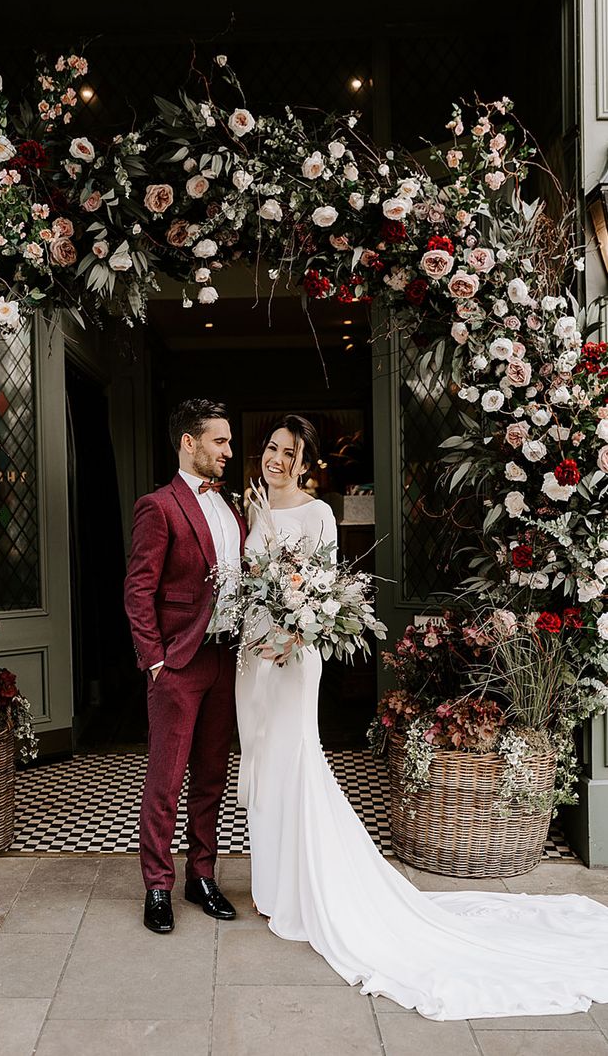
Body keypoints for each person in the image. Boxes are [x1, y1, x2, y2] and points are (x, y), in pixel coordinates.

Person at [236, 412, 608, 1021]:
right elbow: (251, 582)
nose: (276, 458)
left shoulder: (318, 513)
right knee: (260, 762)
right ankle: (272, 887)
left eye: (289, 451)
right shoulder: (253, 509)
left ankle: (299, 892)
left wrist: (288, 635)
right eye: (271, 447)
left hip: (292, 658)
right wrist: (255, 539)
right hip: (253, 657)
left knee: (292, 760)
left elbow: (324, 593)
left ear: (306, 461)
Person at [125, 398, 246, 934]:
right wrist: (155, 660)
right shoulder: (159, 506)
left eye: (228, 441)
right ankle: (157, 884)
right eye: (219, 441)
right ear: (188, 443)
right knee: (166, 779)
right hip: (178, 663)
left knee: (212, 777)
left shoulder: (230, 507)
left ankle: (202, 874)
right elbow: (139, 589)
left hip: (225, 658)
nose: (229, 450)